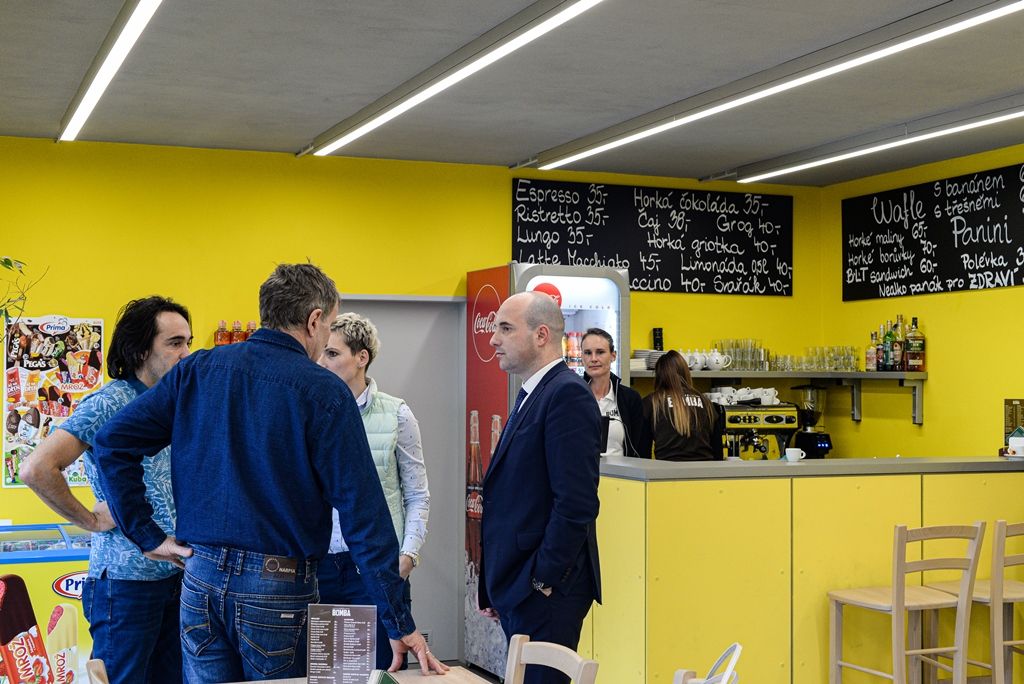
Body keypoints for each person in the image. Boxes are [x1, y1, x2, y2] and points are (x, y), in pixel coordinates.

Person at [92, 263, 446, 682]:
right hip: (277, 591)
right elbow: (363, 516)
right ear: (315, 320)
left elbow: (111, 443)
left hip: (198, 581)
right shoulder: (323, 391)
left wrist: (146, 535)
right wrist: (398, 620)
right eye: (328, 325)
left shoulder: (197, 371)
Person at [21, 296, 193, 684]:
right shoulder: (110, 402)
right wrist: (88, 520)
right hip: (124, 584)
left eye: (188, 342)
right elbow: (37, 468)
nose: (186, 353)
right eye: (174, 343)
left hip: (174, 576)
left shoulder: (171, 403)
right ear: (139, 350)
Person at [479, 291, 602, 684]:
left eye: (505, 328)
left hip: (547, 595)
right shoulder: (533, 392)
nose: (493, 339)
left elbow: (576, 504)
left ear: (541, 335)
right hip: (521, 588)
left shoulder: (566, 394)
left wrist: (540, 580)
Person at [316, 312, 430, 671]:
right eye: (321, 353)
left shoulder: (397, 414)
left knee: (380, 671)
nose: (322, 361)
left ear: (361, 357)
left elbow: (417, 494)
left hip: (377, 569)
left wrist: (409, 554)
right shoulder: (311, 412)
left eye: (332, 354)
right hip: (319, 566)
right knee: (323, 673)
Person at [642, 350, 724, 460]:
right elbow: (718, 452)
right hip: (705, 472)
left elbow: (642, 453)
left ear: (659, 375)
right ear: (686, 372)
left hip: (667, 473)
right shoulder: (706, 402)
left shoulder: (652, 402)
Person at [581, 327, 646, 458]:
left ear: (613, 356)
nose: (593, 358)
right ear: (582, 356)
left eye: (600, 352)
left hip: (621, 476)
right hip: (582, 476)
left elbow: (640, 449)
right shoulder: (572, 398)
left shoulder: (630, 399)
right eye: (587, 353)